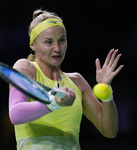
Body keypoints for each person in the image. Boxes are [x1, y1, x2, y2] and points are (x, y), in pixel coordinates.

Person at [8, 9, 124, 150]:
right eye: (49, 42)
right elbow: (15, 114)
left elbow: (109, 131)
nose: (57, 48)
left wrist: (106, 92)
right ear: (33, 45)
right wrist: (53, 102)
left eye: (62, 40)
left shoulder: (77, 81)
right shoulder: (25, 68)